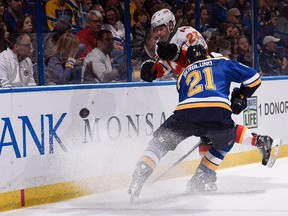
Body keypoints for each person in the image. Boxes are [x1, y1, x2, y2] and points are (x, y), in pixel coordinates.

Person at [128, 44, 274, 201]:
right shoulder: (221, 61)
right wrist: (241, 95)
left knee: (160, 142)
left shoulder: (183, 74)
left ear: (188, 60)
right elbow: (254, 78)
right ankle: (202, 177)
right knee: (226, 140)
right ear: (206, 54)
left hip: (186, 113)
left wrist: (200, 127)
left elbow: (190, 100)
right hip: (217, 111)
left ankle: (142, 170)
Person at [140, 8, 275, 167]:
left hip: (208, 83)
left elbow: (200, 58)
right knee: (212, 137)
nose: (158, 34)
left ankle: (258, 141)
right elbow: (163, 68)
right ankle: (205, 176)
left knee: (219, 128)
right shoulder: (159, 46)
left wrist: (177, 54)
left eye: (160, 29)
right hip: (191, 90)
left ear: (170, 25)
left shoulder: (187, 32)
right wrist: (152, 71)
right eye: (155, 31)